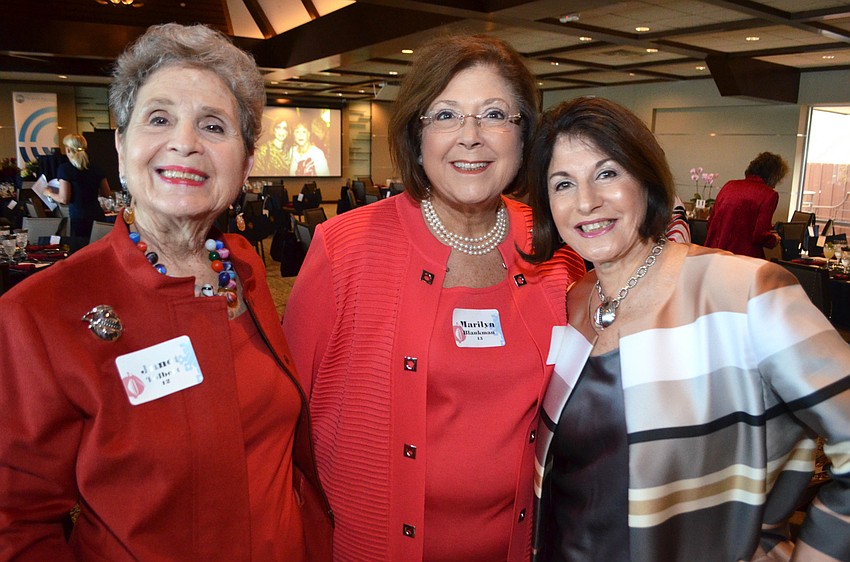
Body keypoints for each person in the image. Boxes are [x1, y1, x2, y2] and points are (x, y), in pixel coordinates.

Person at [0, 23, 332, 561]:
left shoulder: (243, 267)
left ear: (246, 162)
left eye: (214, 125)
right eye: (159, 119)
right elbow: (16, 524)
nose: (184, 142)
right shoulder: (38, 313)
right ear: (122, 143)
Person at [282, 34, 585, 562]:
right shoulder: (345, 249)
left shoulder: (553, 247)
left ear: (524, 135)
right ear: (416, 134)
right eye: (445, 115)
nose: (471, 137)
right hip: (372, 546)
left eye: (495, 114)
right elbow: (286, 418)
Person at [523, 96, 850, 561]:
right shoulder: (577, 300)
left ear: (646, 179)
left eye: (607, 173)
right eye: (562, 184)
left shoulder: (746, 293)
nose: (586, 202)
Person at [704, 152, 788, 258]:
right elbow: (759, 235)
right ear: (774, 176)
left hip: (714, 254)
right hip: (742, 258)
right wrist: (774, 239)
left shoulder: (729, 186)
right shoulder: (769, 195)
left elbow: (711, 223)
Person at [46, 133, 112, 239]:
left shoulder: (65, 169)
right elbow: (106, 193)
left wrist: (49, 193)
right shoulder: (96, 167)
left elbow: (64, 199)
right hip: (97, 216)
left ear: (68, 150)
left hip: (79, 218)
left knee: (81, 250)